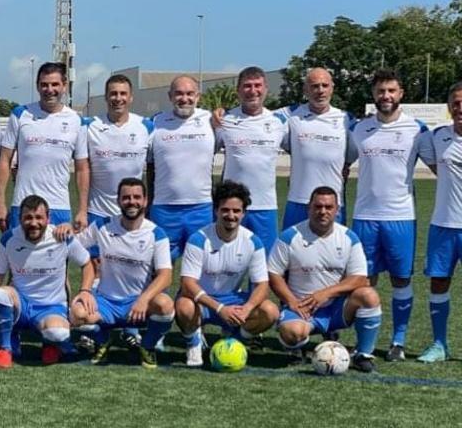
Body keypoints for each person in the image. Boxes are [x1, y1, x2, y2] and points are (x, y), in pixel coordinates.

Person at [347, 70, 430, 362]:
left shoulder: (418, 130)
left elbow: (440, 168)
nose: (386, 96)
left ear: (401, 93)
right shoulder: (358, 129)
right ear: (374, 94)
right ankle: (363, 343)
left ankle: (398, 342)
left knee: (400, 280)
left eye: (392, 91)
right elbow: (342, 163)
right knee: (364, 283)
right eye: (381, 91)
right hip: (365, 217)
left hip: (401, 217)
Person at [268, 186, 382, 373]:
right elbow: (273, 273)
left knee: (368, 295)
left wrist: (326, 293)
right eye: (318, 206)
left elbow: (360, 278)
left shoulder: (348, 238)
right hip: (303, 307)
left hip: (336, 309)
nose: (323, 211)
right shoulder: (290, 236)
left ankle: (363, 354)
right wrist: (291, 301)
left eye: (329, 207)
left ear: (337, 210)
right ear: (309, 208)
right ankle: (293, 347)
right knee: (293, 334)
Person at [67, 178, 174, 369]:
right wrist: (65, 231)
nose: (131, 202)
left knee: (165, 305)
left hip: (138, 303)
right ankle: (102, 340)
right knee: (77, 313)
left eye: (136, 197)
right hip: (107, 301)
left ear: (145, 200)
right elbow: (74, 244)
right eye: (126, 197)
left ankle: (147, 346)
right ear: (118, 201)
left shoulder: (156, 234)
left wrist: (144, 299)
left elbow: (166, 276)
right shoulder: (102, 226)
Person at [0, 195, 92, 369]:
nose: (33, 223)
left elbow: (87, 264)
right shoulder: (8, 239)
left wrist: (85, 290)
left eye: (39, 217)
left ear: (48, 218)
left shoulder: (61, 237)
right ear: (20, 219)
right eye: (28, 218)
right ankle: (6, 348)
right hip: (21, 304)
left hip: (51, 306)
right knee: (1, 293)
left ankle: (50, 344)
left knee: (58, 333)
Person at [84, 73, 154, 350]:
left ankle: (130, 326)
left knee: (132, 270)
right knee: (99, 270)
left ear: (131, 97)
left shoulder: (146, 126)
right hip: (98, 211)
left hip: (134, 214)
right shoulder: (90, 126)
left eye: (123, 93)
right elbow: (81, 166)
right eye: (113, 93)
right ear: (106, 96)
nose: (118, 98)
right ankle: (96, 328)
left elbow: (153, 169)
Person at [176, 180, 279, 367]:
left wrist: (246, 309)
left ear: (243, 213)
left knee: (270, 311)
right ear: (216, 211)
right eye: (225, 210)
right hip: (203, 301)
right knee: (184, 305)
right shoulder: (199, 239)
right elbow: (187, 284)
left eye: (236, 211)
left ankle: (237, 339)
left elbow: (263, 285)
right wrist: (220, 309)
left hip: (233, 301)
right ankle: (194, 343)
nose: (230, 215)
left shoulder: (252, 242)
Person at [0, 62, 89, 231]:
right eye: (44, 84)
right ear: (37, 86)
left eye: (55, 84)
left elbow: (82, 169)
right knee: (18, 256)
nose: (49, 89)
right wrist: (0, 202)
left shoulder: (76, 121)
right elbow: (4, 160)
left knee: (57, 257)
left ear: (64, 86)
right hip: (23, 205)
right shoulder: (21, 114)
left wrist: (82, 210)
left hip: (59, 207)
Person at [214, 67, 288, 252]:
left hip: (265, 206)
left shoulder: (280, 122)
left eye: (257, 85)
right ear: (238, 90)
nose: (253, 91)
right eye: (247, 86)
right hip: (231, 206)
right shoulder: (224, 120)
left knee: (265, 265)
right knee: (224, 261)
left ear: (266, 89)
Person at [417, 81, 462, 363]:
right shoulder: (437, 137)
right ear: (449, 107)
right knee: (438, 283)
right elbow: (437, 168)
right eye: (455, 103)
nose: (460, 108)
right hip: (443, 224)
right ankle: (439, 344)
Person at [279, 68, 355, 229]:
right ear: (305, 90)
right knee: (293, 252)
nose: (320, 91)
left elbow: (361, 145)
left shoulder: (347, 119)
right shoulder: (290, 115)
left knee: (333, 253)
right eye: (314, 86)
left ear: (332, 88)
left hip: (333, 204)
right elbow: (257, 118)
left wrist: (347, 164)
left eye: (324, 85)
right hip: (298, 202)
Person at [148, 75, 215, 259]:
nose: (184, 98)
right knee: (160, 266)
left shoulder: (212, 121)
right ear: (170, 96)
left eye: (189, 93)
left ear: (198, 96)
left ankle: (187, 290)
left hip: (201, 208)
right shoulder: (155, 122)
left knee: (201, 267)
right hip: (164, 209)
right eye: (178, 93)